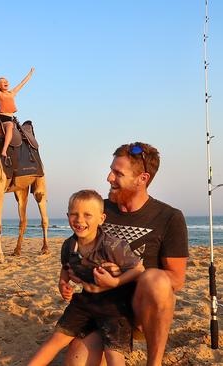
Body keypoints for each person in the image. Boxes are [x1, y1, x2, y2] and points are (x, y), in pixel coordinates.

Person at [63, 143, 189, 366]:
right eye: (111, 170)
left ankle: (154, 362)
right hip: (101, 310)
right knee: (76, 362)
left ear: (142, 178)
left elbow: (176, 280)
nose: (109, 177)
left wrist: (122, 275)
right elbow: (77, 250)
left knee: (156, 279)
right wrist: (71, 274)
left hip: (140, 311)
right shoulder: (97, 210)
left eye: (118, 173)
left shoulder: (169, 217)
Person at [28, 190, 144, 366]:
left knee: (113, 352)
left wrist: (115, 281)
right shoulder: (69, 245)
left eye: (87, 215)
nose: (79, 220)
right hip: (84, 302)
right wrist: (62, 283)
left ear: (101, 219)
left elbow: (138, 269)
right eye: (74, 214)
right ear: (67, 216)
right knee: (56, 340)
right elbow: (66, 267)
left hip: (114, 307)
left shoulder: (112, 245)